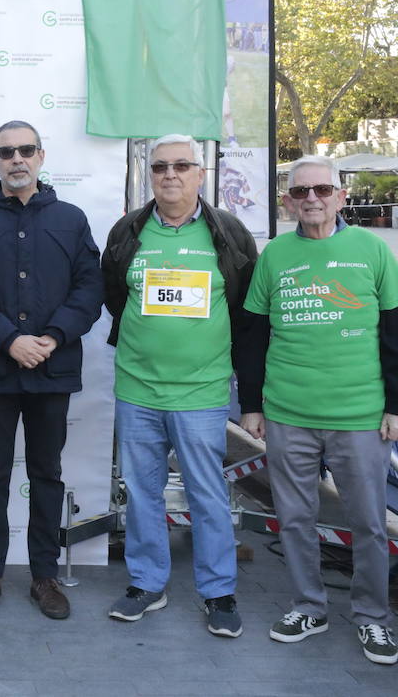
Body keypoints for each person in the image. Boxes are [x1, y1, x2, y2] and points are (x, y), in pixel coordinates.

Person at [238, 155, 398, 666]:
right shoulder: (274, 256)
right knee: (294, 518)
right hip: (287, 413)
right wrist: (252, 405)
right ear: (287, 200)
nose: (310, 198)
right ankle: (308, 606)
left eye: (321, 189)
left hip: (360, 416)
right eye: (299, 192)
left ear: (341, 196)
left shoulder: (372, 249)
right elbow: (254, 335)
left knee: (368, 524)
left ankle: (373, 619)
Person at [100, 135, 258, 637]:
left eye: (182, 166)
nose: (170, 174)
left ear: (200, 173)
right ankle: (148, 583)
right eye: (161, 166)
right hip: (138, 390)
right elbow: (115, 297)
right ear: (151, 174)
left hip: (202, 393)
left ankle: (218, 592)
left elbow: (244, 311)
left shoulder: (227, 234)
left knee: (207, 495)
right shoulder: (128, 231)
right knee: (142, 494)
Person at [0, 120, 102, 620]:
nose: (17, 159)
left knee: (46, 474)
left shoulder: (72, 219)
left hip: (51, 372)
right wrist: (9, 340)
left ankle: (44, 576)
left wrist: (51, 337)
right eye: (6, 152)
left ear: (41, 154)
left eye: (26, 150)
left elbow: (89, 290)